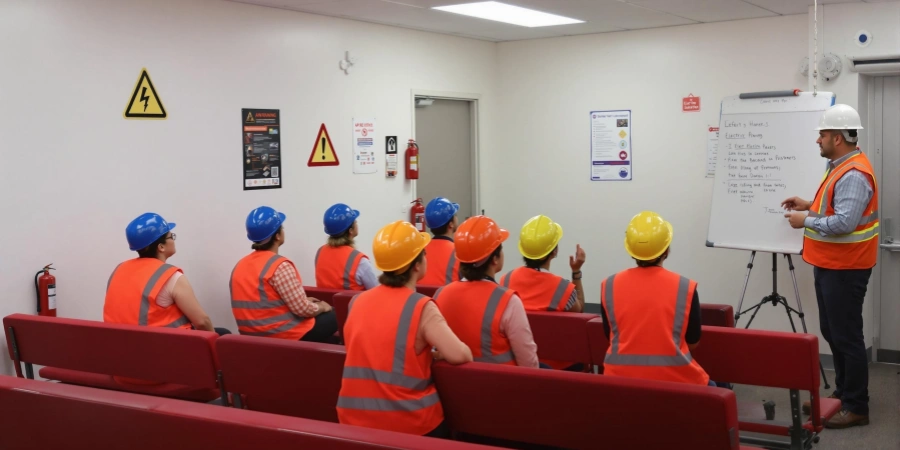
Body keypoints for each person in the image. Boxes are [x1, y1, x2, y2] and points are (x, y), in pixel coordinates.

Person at [782, 104, 876, 429]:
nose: (817, 140)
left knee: (846, 336)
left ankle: (856, 406)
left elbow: (845, 223)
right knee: (834, 332)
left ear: (837, 137)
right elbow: (834, 208)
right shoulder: (840, 167)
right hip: (832, 266)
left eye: (822, 134)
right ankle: (842, 395)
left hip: (846, 269)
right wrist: (809, 205)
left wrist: (805, 220)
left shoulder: (853, 174)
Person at [337, 220, 472, 437]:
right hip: (407, 421)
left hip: (353, 419)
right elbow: (460, 355)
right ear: (416, 265)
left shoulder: (357, 302)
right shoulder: (421, 307)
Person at [599, 211, 709, 387]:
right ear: (666, 250)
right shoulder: (685, 287)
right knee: (720, 392)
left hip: (618, 380)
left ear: (631, 250)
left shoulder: (609, 285)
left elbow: (610, 335)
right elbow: (693, 343)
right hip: (676, 381)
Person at [433, 216, 539, 368]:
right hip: (500, 382)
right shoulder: (509, 302)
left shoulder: (440, 295)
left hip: (452, 383)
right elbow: (529, 365)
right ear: (495, 259)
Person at [104, 212, 226, 335]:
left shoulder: (119, 269)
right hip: (164, 344)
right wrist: (213, 343)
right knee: (223, 334)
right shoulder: (170, 276)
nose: (173, 240)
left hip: (122, 343)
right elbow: (202, 322)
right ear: (161, 247)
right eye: (171, 236)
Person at [230, 206, 336, 343]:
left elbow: (263, 304)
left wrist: (303, 300)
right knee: (334, 314)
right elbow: (303, 310)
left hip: (250, 337)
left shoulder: (239, 265)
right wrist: (322, 307)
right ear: (278, 236)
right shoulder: (280, 266)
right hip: (282, 336)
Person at [498, 215, 585, 370]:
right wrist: (576, 272)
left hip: (518, 362)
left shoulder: (505, 281)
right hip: (557, 367)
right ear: (554, 252)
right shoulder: (563, 288)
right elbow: (579, 310)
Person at [315, 203, 378, 290]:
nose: (357, 224)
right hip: (353, 300)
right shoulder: (360, 261)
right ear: (351, 230)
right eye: (355, 222)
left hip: (323, 300)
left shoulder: (320, 252)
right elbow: (375, 290)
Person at [418, 197, 461, 286]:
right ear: (451, 224)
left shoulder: (419, 250)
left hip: (419, 295)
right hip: (449, 295)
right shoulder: (459, 252)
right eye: (455, 215)